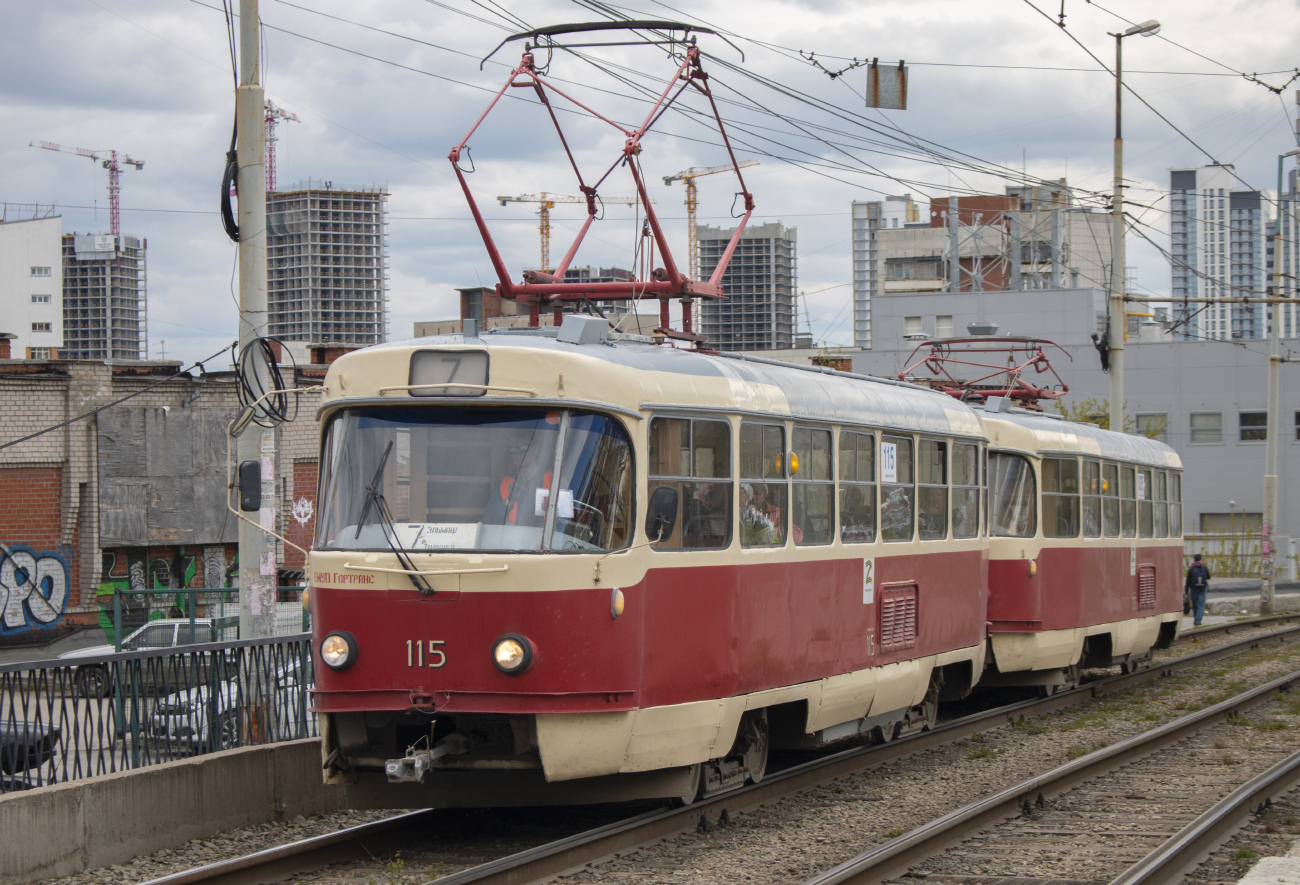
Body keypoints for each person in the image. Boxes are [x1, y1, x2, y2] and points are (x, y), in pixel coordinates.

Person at [1185, 553, 1212, 627]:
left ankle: (1195, 619)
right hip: (1202, 588)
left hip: (1193, 589)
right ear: (1201, 559)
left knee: (1195, 604)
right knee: (1201, 604)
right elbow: (1208, 577)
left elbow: (1187, 581)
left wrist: (1186, 592)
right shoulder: (1204, 567)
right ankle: (1198, 620)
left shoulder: (1191, 568)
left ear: (1194, 559)